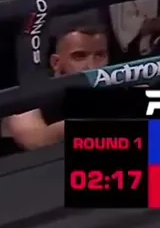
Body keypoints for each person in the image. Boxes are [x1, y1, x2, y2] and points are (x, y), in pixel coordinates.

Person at [1, 21, 110, 152]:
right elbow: (35, 140)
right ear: (56, 62)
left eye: (100, 55)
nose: (92, 66)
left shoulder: (117, 87)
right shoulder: (32, 93)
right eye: (79, 56)